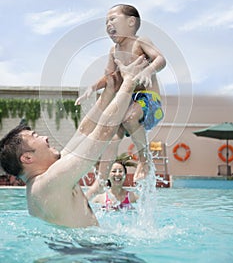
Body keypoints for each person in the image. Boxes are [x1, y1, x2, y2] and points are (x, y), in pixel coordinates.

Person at [0, 56, 147, 228]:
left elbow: (83, 131)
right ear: (27, 158)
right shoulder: (48, 183)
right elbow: (104, 132)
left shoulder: (45, 180)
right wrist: (129, 82)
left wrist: (109, 91)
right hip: (89, 252)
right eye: (35, 136)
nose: (45, 137)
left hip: (79, 249)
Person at [75, 4, 166, 182]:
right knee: (111, 135)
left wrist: (148, 70)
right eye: (106, 21)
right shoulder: (113, 51)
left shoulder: (141, 42)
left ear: (131, 22)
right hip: (128, 102)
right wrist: (92, 88)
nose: (109, 24)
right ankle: (101, 181)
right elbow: (110, 77)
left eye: (113, 19)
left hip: (149, 102)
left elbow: (161, 59)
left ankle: (144, 160)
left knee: (129, 117)